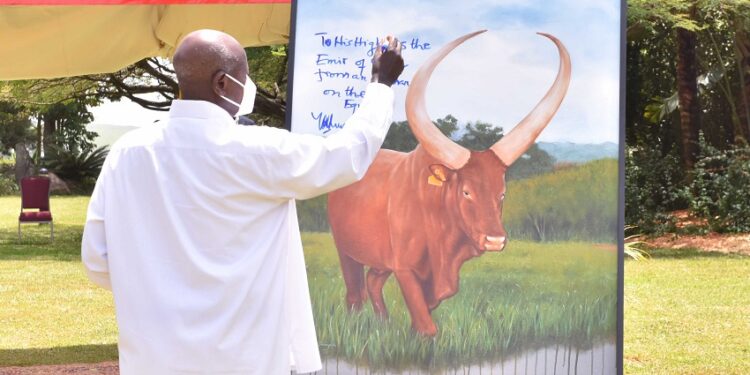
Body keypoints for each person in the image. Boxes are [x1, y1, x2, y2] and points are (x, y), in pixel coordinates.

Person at [81, 29, 404, 374]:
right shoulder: (255, 152)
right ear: (222, 83)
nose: (248, 85)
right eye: (244, 77)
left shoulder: (126, 153)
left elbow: (97, 258)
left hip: (155, 360)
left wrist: (156, 287)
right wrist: (381, 84)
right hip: (244, 360)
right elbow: (347, 155)